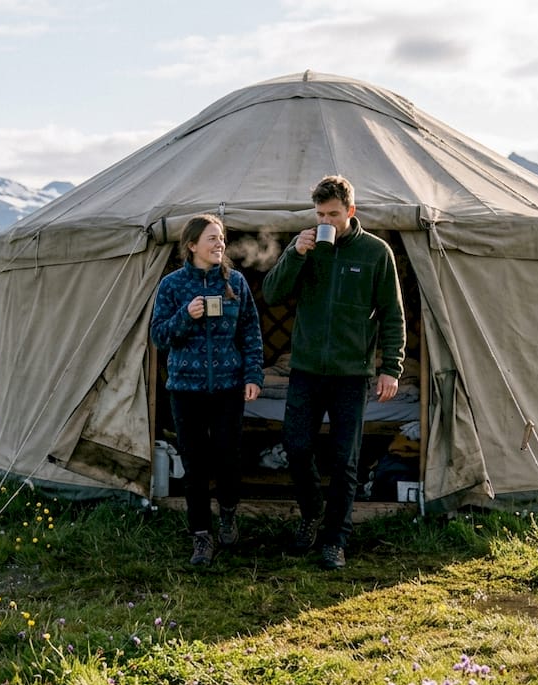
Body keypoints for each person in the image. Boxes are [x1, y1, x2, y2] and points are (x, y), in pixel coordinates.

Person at [261, 175, 405, 570]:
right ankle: (312, 511)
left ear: (351, 212)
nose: (326, 220)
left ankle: (335, 538)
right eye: (320, 213)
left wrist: (391, 368)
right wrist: (294, 253)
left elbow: (393, 314)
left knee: (345, 459)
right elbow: (271, 295)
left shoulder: (376, 253)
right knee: (296, 447)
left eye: (334, 214)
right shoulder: (304, 246)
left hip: (351, 374)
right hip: (306, 370)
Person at [150, 213, 264, 567]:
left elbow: (251, 333)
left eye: (222, 239)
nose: (219, 244)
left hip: (229, 386)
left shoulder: (236, 283)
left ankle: (228, 514)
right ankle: (201, 535)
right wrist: (186, 315)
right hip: (186, 389)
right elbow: (158, 336)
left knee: (228, 457)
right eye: (212, 239)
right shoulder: (171, 286)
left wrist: (253, 376)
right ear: (192, 245)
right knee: (195, 464)